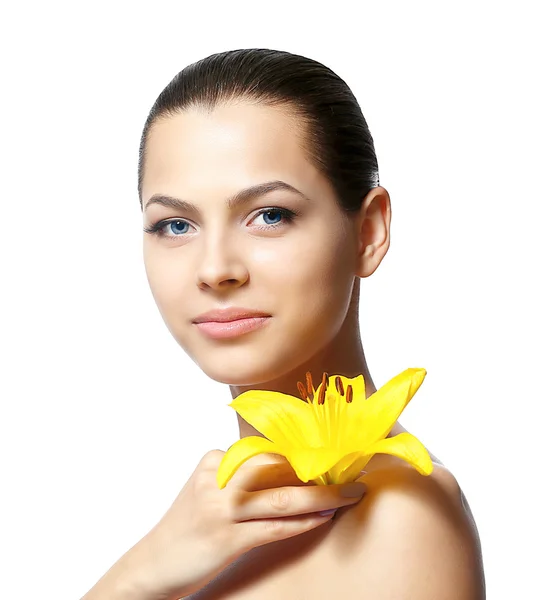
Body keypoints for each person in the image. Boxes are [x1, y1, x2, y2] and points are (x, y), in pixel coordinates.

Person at [82, 48, 485, 599]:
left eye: (270, 215)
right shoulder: (198, 528)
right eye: (175, 224)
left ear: (368, 232)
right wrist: (143, 571)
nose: (216, 269)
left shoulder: (402, 518)